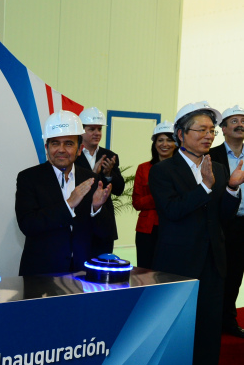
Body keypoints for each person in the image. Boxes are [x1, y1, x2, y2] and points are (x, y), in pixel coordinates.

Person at [149, 101, 244, 365]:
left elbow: (223, 218)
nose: (208, 136)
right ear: (180, 134)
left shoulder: (218, 168)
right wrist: (204, 187)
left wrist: (231, 189)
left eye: (211, 130)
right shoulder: (162, 171)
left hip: (213, 262)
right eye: (201, 130)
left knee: (207, 332)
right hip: (177, 264)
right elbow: (173, 211)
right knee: (174, 332)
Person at [15, 110, 112, 276]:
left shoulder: (93, 180)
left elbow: (105, 233)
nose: (61, 149)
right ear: (46, 147)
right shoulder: (28, 178)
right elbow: (28, 225)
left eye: (68, 143)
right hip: (41, 273)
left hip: (83, 272)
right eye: (55, 143)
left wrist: (96, 208)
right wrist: (68, 204)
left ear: (79, 148)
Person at [209, 105, 244, 338]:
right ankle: (213, 320)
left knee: (236, 275)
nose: (240, 124)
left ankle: (229, 321)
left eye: (243, 120)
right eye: (234, 121)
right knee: (220, 273)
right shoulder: (212, 156)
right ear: (223, 129)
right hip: (224, 222)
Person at [76, 107, 125, 255]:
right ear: (81, 130)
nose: (97, 133)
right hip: (80, 222)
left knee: (103, 270)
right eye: (91, 129)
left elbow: (119, 189)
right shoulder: (72, 155)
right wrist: (93, 175)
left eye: (99, 129)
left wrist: (109, 174)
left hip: (104, 224)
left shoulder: (109, 155)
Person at [132, 121, 177, 269]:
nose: (165, 144)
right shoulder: (143, 168)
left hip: (174, 227)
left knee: (170, 271)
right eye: (160, 140)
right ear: (154, 143)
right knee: (145, 272)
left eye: (169, 140)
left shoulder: (183, 169)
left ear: (176, 142)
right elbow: (137, 203)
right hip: (147, 229)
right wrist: (160, 195)